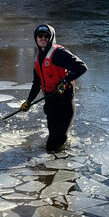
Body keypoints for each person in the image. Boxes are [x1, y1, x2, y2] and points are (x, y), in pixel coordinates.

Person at [21, 23, 87, 152]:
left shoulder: (59, 53)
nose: (43, 38)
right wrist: (28, 102)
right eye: (40, 36)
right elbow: (37, 83)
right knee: (53, 137)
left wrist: (64, 81)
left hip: (64, 103)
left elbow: (82, 67)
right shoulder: (39, 57)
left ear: (51, 38)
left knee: (53, 145)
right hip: (50, 103)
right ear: (36, 38)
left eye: (47, 36)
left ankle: (59, 167)